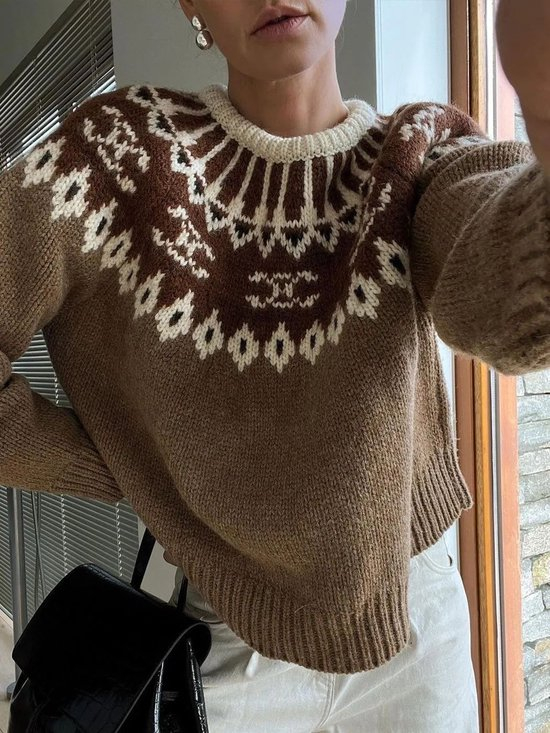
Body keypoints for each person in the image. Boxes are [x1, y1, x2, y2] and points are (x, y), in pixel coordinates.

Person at [1, 0, 549, 731]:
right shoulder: (115, 157)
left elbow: (503, 303)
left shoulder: (422, 153)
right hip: (217, 648)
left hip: (418, 629)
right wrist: (127, 468)